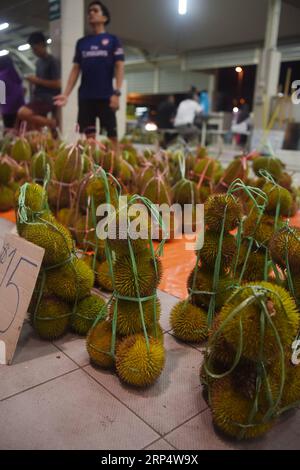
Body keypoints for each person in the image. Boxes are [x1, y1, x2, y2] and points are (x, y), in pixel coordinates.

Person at [54, 1, 125, 141]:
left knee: (112, 137)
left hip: (106, 97)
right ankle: (92, 162)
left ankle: (114, 162)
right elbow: (75, 69)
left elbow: (120, 67)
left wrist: (117, 93)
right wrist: (66, 94)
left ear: (104, 18)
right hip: (86, 98)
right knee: (89, 139)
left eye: (95, 10)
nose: (90, 13)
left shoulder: (113, 40)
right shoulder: (82, 42)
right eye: (89, 11)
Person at [17, 32, 61, 131]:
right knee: (33, 129)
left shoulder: (52, 61)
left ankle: (52, 123)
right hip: (38, 98)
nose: (34, 52)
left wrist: (37, 80)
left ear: (42, 45)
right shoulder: (38, 62)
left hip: (47, 99)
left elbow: (58, 84)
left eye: (35, 49)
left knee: (22, 112)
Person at [0, 56, 24, 131]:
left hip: (8, 110)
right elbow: (22, 89)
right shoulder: (15, 74)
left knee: (9, 132)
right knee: (20, 131)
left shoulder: (1, 76)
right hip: (20, 107)